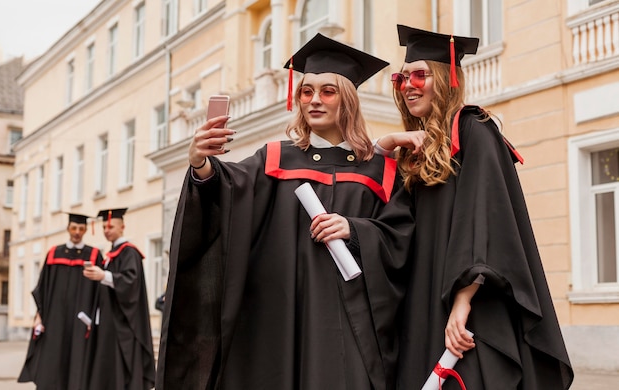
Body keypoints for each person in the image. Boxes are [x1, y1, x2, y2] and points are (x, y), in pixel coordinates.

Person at [157, 34, 419, 390]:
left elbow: (400, 237)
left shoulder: (380, 170)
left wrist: (355, 229)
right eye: (306, 91)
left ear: (349, 100)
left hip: (347, 321)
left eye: (328, 91)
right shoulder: (275, 158)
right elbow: (227, 190)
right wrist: (201, 163)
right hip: (278, 318)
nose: (314, 100)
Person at [383, 25, 574, 389]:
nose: (408, 85)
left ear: (446, 77)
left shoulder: (473, 128)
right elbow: (395, 228)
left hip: (471, 304)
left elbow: (485, 215)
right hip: (425, 302)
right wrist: (385, 143)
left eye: (420, 75)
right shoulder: (413, 150)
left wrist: (463, 299)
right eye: (402, 77)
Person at [18, 213, 103, 389]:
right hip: (54, 321)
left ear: (86, 230)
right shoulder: (54, 254)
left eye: (81, 228)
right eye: (74, 228)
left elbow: (100, 292)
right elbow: (43, 287)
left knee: (77, 364)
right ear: (68, 229)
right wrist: (39, 317)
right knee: (52, 363)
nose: (77, 232)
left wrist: (95, 319)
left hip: (80, 322)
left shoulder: (93, 255)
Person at [82, 208, 155, 390]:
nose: (107, 231)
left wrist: (104, 276)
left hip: (122, 323)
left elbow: (131, 282)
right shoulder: (111, 255)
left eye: (111, 226)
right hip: (107, 321)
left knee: (120, 369)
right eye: (104, 228)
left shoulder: (129, 252)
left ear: (122, 227)